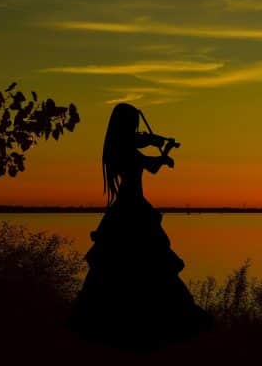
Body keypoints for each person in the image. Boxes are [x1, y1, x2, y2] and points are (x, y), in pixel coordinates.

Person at [70, 103, 212, 349]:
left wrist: (160, 150)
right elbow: (150, 165)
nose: (137, 130)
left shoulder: (118, 147)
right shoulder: (124, 149)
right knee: (152, 262)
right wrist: (164, 156)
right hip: (133, 208)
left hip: (126, 208)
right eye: (133, 124)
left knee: (115, 266)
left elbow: (144, 157)